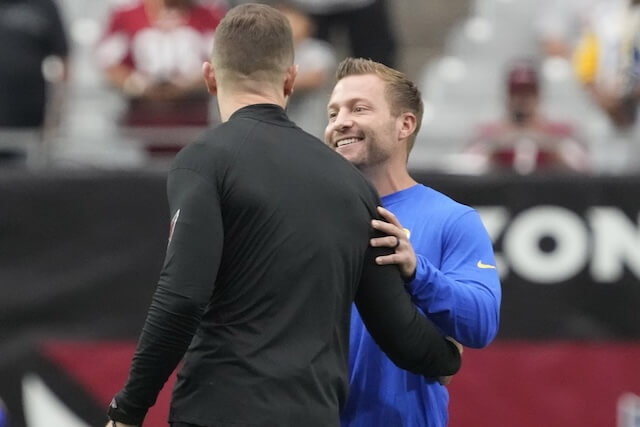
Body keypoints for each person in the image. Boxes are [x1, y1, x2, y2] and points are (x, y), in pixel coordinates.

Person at [106, 5, 461, 427]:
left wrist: (128, 410)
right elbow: (396, 327)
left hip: (218, 411)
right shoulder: (350, 184)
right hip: (312, 414)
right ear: (291, 79)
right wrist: (447, 356)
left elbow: (182, 298)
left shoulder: (204, 162)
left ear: (210, 76)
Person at [324, 57, 502, 427]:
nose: (340, 122)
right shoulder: (309, 215)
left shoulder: (452, 219)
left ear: (405, 124)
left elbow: (482, 322)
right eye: (333, 113)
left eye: (359, 108)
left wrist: (417, 270)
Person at [96, 0, 226, 154]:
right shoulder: (126, 14)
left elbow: (224, 61)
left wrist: (187, 85)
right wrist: (139, 85)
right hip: (140, 130)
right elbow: (108, 63)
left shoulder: (210, 13)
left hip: (194, 126)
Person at [466, 60, 590, 174]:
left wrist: (550, 145)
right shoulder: (488, 132)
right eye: (516, 93)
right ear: (508, 97)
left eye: (528, 93)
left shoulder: (561, 131)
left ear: (538, 96)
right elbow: (467, 167)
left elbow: (584, 167)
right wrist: (497, 146)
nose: (522, 99)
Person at [0, 0, 69, 165]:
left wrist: (58, 113)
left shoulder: (45, 6)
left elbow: (64, 59)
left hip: (29, 116)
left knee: (24, 178)